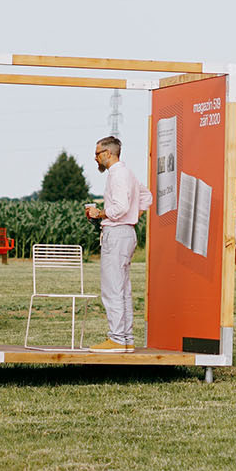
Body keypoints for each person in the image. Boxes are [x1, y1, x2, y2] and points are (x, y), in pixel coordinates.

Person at [83, 135, 150, 351]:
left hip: (117, 234)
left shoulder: (116, 174)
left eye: (97, 154)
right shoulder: (127, 173)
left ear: (108, 154)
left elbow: (119, 207)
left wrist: (99, 213)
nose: (95, 158)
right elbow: (146, 196)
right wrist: (135, 214)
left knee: (112, 288)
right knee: (122, 289)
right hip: (127, 233)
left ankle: (117, 339)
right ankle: (126, 338)